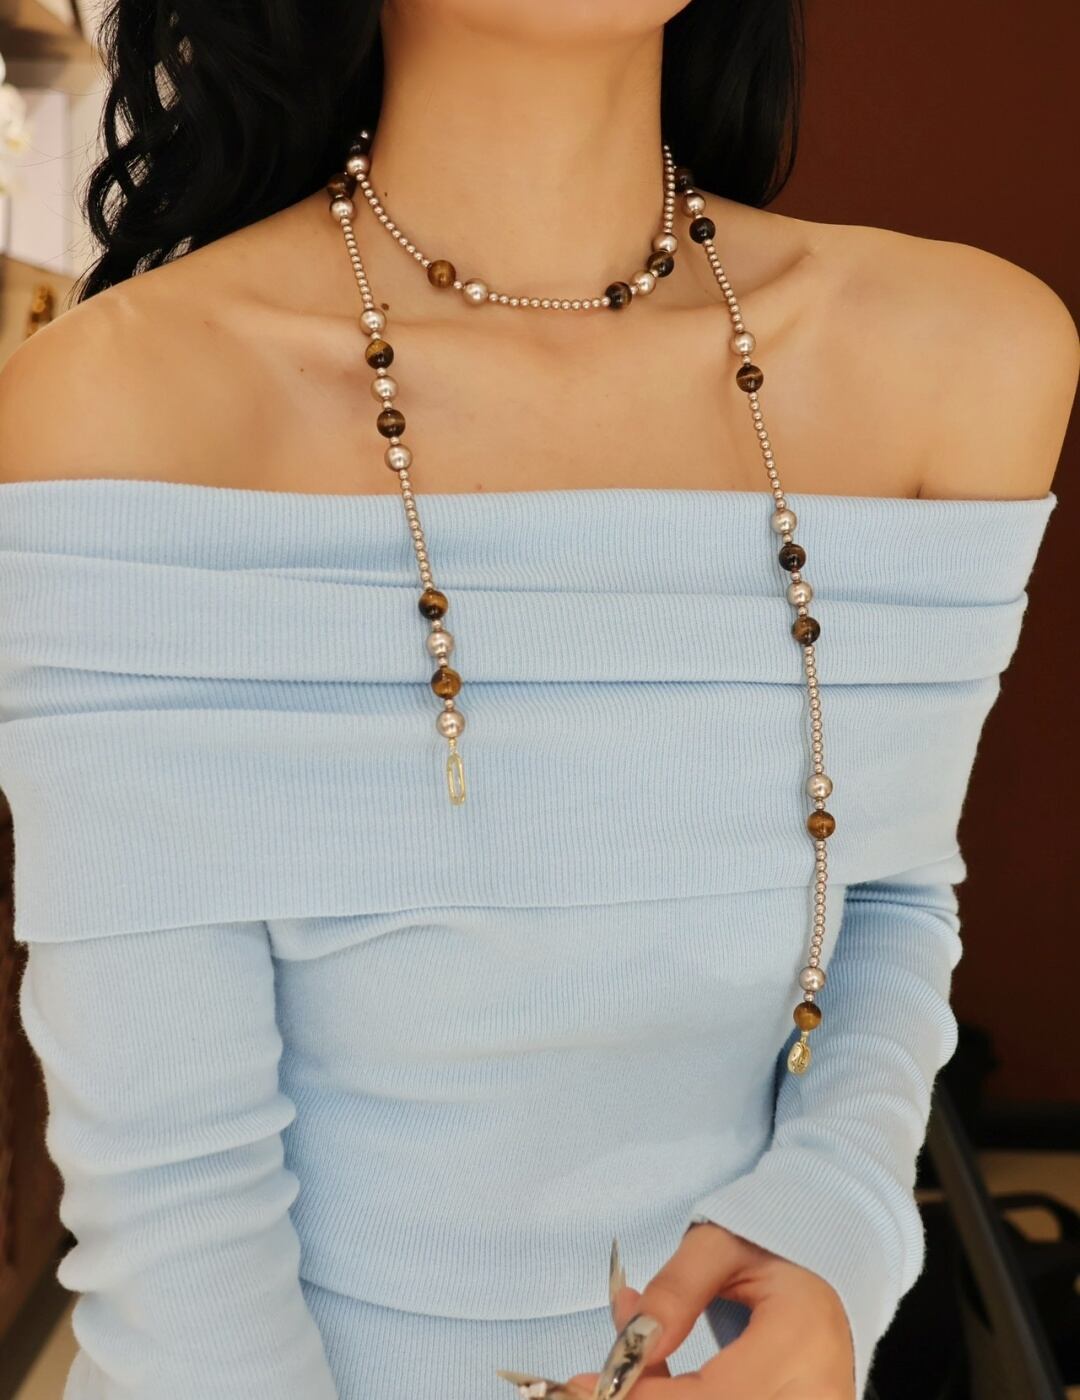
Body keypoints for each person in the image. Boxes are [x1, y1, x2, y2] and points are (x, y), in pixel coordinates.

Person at [0, 2, 1075, 1397]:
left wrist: (834, 1245)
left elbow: (885, 894)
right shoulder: (123, 403)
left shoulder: (963, 358)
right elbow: (174, 1208)